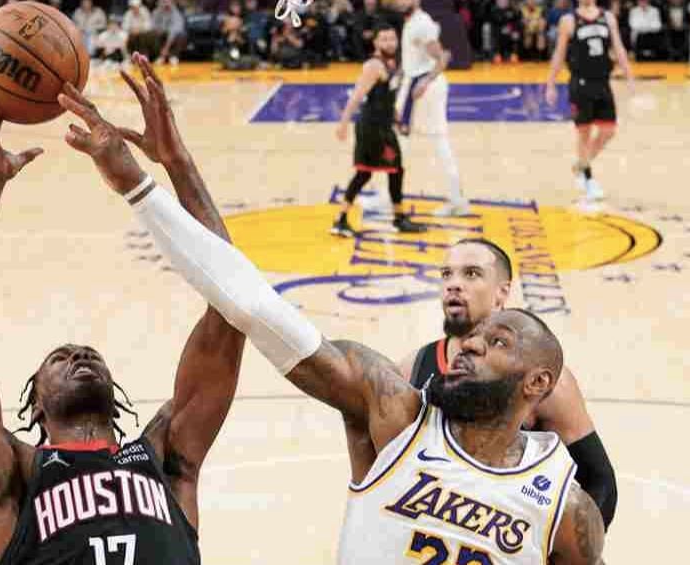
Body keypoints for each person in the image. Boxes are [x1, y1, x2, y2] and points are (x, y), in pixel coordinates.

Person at [55, 63, 607, 565]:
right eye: (477, 338)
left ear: (537, 382)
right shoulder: (394, 413)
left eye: (497, 342)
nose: (471, 345)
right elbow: (249, 303)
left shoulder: (564, 504)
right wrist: (141, 183)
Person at [0, 54, 246, 564]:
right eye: (60, 358)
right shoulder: (14, 475)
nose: (79, 356)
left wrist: (176, 162)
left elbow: (234, 305)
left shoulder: (164, 458)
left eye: (84, 354)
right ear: (35, 407)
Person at [395, 237, 618, 530]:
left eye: (471, 273)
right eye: (447, 274)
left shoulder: (544, 381)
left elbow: (599, 481)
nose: (453, 284)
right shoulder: (413, 366)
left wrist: (562, 553)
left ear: (503, 292)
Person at [332, 24, 426, 238]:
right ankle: (395, 219)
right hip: (372, 128)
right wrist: (343, 123)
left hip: (383, 126)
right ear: (375, 42)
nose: (389, 43)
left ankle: (344, 218)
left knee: (373, 172)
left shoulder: (392, 63)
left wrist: (397, 119)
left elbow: (386, 97)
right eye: (384, 39)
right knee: (382, 171)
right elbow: (357, 96)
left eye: (392, 39)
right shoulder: (374, 65)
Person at [545, 0, 634, 207]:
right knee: (583, 133)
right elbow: (559, 53)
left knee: (608, 131)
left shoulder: (607, 17)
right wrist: (550, 83)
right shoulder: (568, 20)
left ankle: (581, 165)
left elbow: (618, 47)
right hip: (580, 83)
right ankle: (588, 179)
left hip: (602, 82)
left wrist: (629, 74)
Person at [394, 0, 469, 218]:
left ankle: (457, 200)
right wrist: (399, 75)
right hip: (414, 84)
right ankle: (389, 193)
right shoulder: (412, 22)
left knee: (437, 140)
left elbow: (443, 56)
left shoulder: (422, 23)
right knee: (401, 139)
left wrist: (425, 81)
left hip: (425, 88)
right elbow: (412, 57)